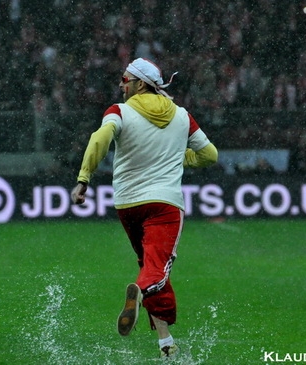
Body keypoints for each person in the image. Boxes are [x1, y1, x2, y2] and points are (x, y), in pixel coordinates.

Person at [70, 58, 218, 359]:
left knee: (148, 265)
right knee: (156, 272)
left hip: (128, 204)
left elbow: (100, 138)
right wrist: (181, 159)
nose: (121, 84)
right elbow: (210, 155)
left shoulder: (119, 111)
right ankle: (139, 293)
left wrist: (84, 178)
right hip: (164, 205)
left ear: (140, 84)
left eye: (125, 79)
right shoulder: (182, 116)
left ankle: (166, 342)